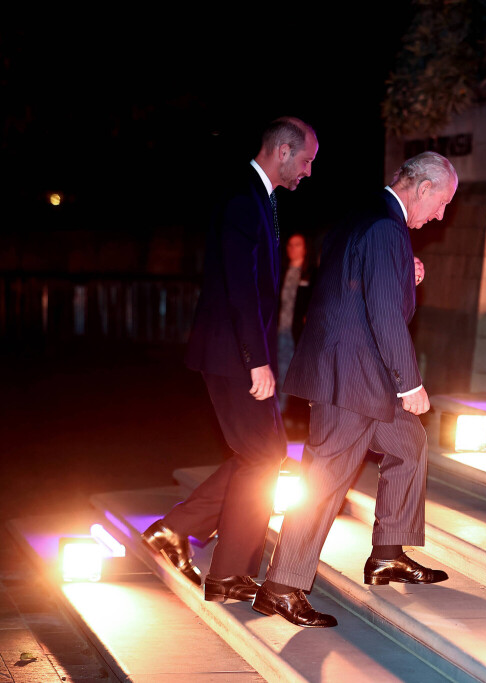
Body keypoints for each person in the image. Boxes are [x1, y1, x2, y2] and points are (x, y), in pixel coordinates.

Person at [252, 151, 457, 628]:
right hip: (352, 376)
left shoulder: (368, 213)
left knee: (408, 443)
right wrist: (410, 383)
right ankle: (280, 587)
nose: (441, 214)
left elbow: (353, 277)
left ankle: (387, 554)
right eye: (442, 202)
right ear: (423, 188)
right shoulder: (385, 225)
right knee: (325, 480)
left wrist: (404, 269)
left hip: (356, 371)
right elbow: (383, 314)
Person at [141, 117, 318, 604]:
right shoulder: (244, 196)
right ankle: (224, 571)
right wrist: (256, 360)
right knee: (262, 456)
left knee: (265, 453)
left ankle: (178, 532)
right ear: (283, 151)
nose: (309, 171)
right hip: (231, 353)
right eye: (306, 160)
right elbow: (240, 287)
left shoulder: (262, 197)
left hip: (234, 351)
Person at [277, 231, 313, 426]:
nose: (293, 249)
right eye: (290, 245)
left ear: (305, 248)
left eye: (297, 244)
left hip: (299, 334)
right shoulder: (280, 272)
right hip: (279, 331)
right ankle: (280, 415)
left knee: (298, 375)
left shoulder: (312, 274)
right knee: (280, 372)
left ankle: (298, 416)